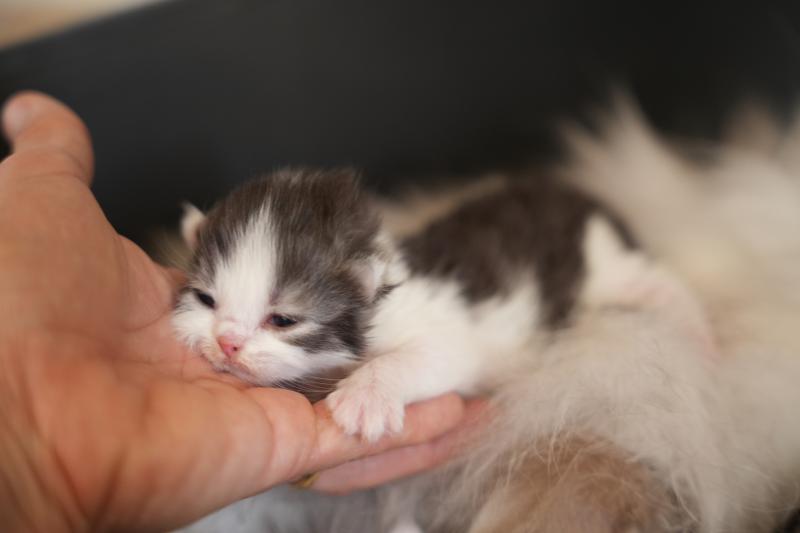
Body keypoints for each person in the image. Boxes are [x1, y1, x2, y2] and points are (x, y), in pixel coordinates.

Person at [0, 91, 481, 532]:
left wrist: (385, 380)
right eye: (208, 300)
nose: (228, 343)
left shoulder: (392, 302)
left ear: (364, 290)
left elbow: (452, 345)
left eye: (283, 319)